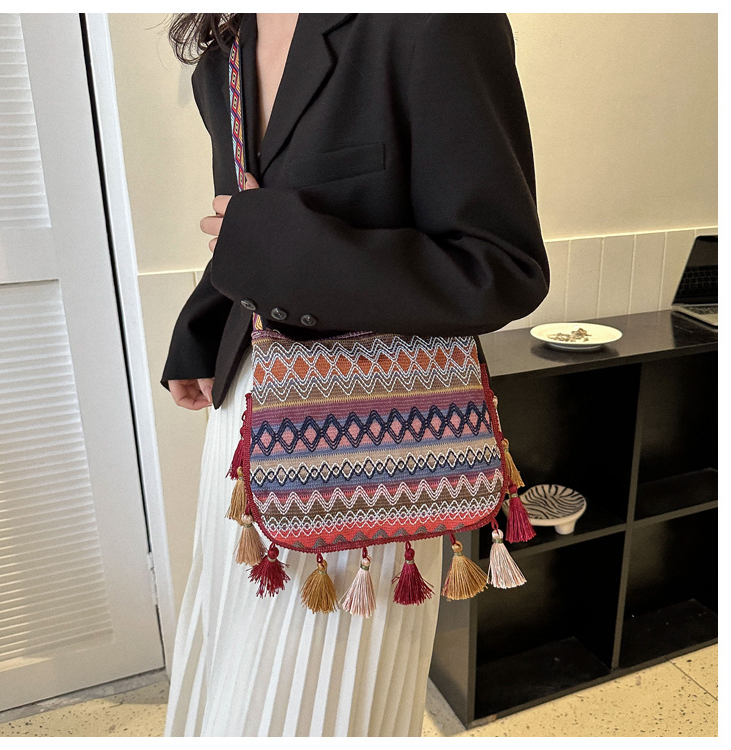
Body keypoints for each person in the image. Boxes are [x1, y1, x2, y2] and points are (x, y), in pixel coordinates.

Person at [161, 12, 549, 737]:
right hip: (247, 426)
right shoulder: (226, 46)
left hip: (372, 444)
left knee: (316, 717)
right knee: (227, 675)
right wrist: (202, 328)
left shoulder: (433, 22)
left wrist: (288, 245)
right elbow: (249, 220)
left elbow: (500, 267)